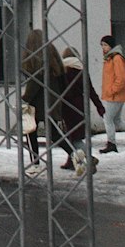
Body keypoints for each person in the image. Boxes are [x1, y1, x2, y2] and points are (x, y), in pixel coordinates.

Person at [21, 29, 70, 167]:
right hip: (53, 101)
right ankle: (75, 155)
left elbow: (34, 82)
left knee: (30, 132)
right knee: (54, 133)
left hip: (36, 103)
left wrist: (25, 98)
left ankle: (35, 162)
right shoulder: (53, 56)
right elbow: (63, 80)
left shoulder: (36, 61)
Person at [57, 47, 104, 172]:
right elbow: (90, 91)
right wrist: (99, 106)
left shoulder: (61, 70)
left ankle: (89, 158)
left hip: (66, 106)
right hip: (80, 105)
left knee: (72, 137)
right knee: (73, 135)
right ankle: (71, 161)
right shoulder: (82, 70)